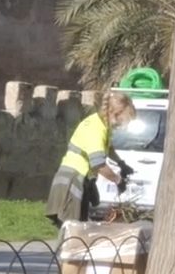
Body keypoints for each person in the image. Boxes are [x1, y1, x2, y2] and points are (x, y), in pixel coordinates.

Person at [46, 91, 137, 227]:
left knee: (79, 228)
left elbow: (108, 148)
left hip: (78, 178)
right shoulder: (96, 129)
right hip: (72, 180)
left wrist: (121, 163)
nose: (120, 125)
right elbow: (98, 165)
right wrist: (117, 180)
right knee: (72, 229)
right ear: (116, 113)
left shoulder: (102, 124)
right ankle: (65, 248)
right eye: (122, 120)